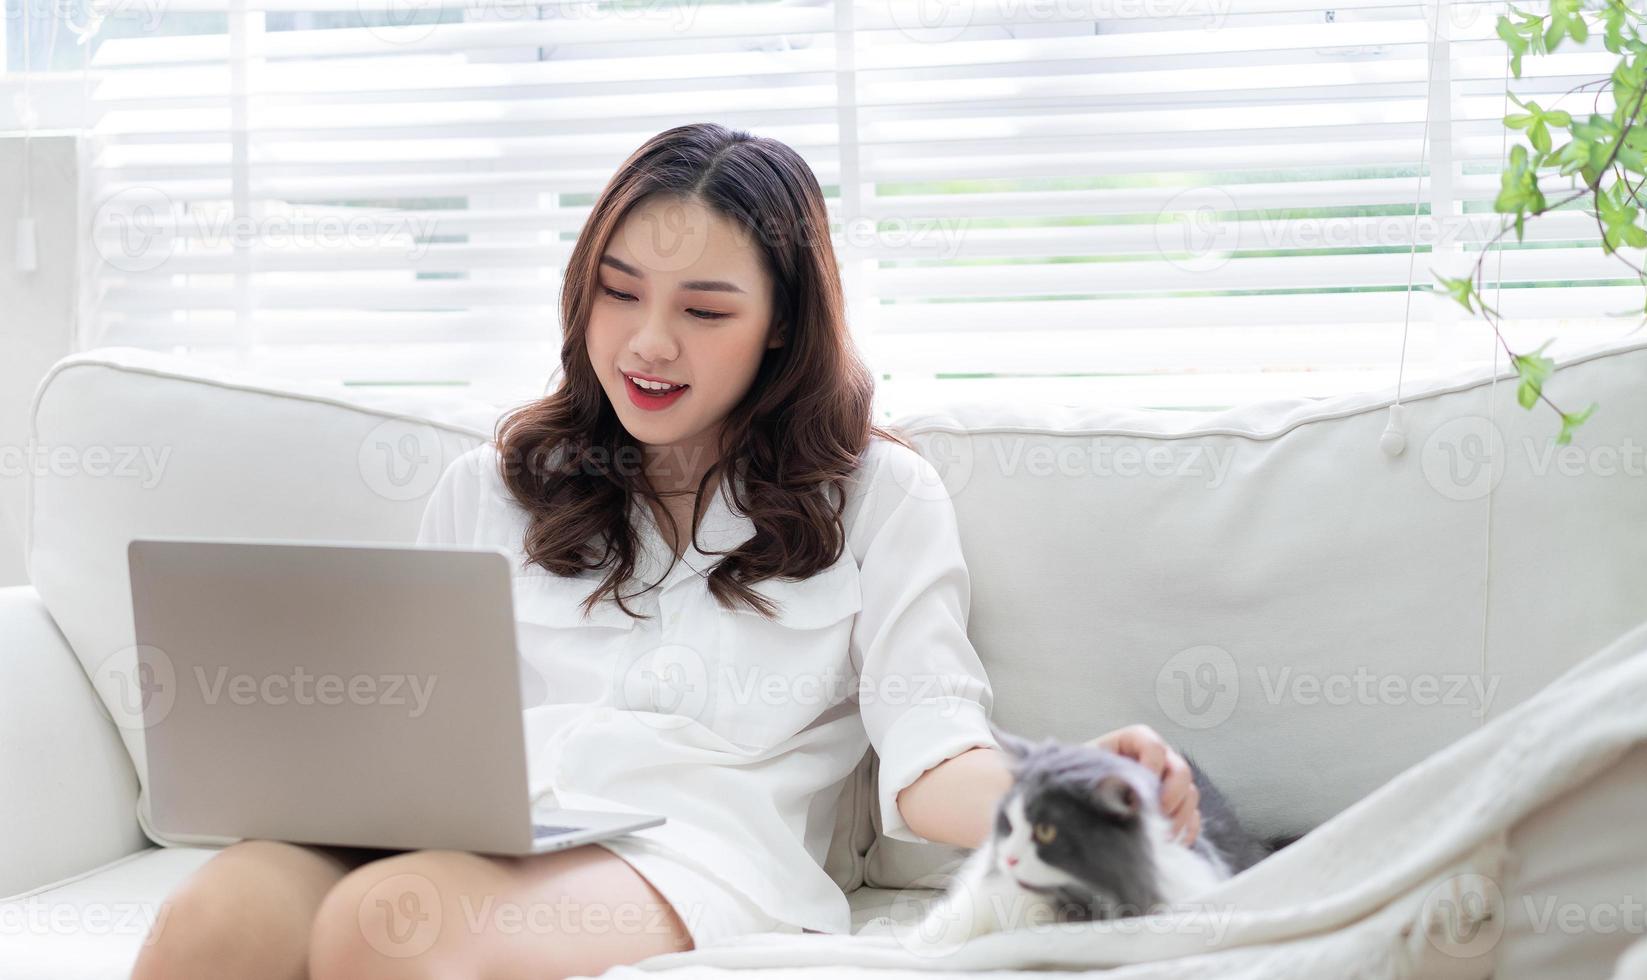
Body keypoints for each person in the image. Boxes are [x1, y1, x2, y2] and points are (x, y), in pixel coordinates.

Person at [130, 122, 1201, 980]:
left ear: (780, 323)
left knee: (384, 924)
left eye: (703, 308)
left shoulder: (877, 495)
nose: (648, 341)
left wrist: (1082, 783)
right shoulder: (493, 486)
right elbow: (407, 731)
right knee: (212, 919)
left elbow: (931, 752)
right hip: (482, 825)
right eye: (619, 288)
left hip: (698, 851)